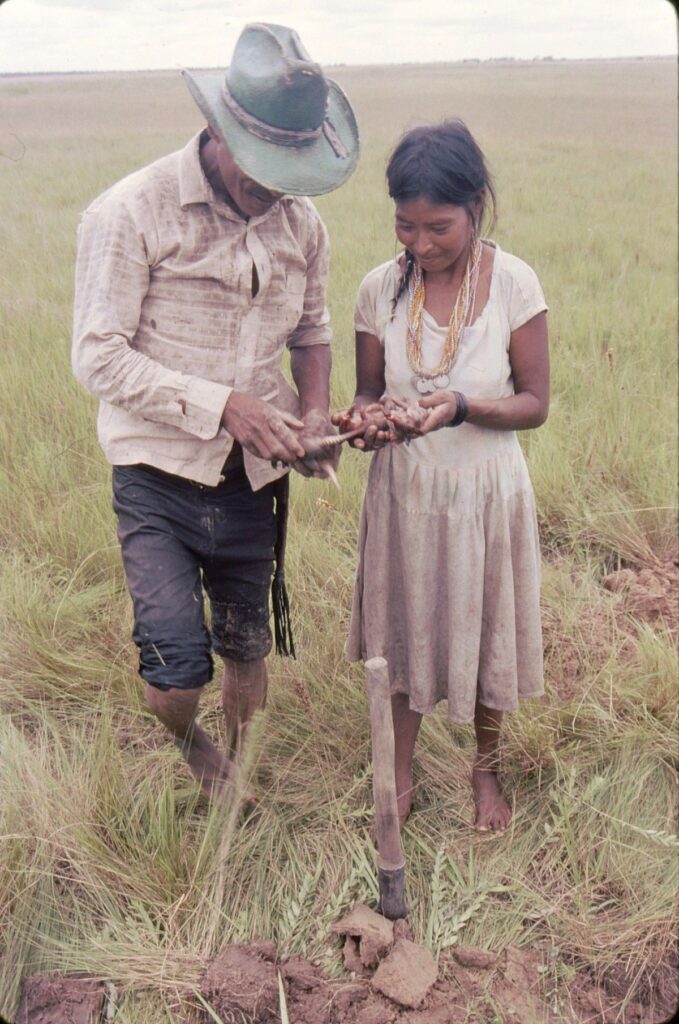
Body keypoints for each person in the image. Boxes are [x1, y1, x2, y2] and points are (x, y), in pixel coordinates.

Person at [71, 23, 359, 798]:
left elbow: (311, 333)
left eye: (292, 171)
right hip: (156, 473)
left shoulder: (301, 223)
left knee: (247, 646)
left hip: (252, 480)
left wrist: (313, 416)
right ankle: (192, 743)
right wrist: (222, 405)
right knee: (174, 672)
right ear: (220, 131)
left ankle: (241, 771)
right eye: (265, 169)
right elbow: (96, 356)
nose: (276, 187)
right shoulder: (130, 212)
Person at [336, 120, 549, 832]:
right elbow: (367, 391)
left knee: (488, 631)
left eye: (438, 228)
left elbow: (533, 404)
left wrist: (457, 406)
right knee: (399, 634)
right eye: (405, 226)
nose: (421, 244)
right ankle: (396, 775)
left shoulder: (513, 283)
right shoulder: (377, 290)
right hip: (405, 495)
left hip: (484, 494)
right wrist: (367, 423)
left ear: (475, 209)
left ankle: (484, 768)